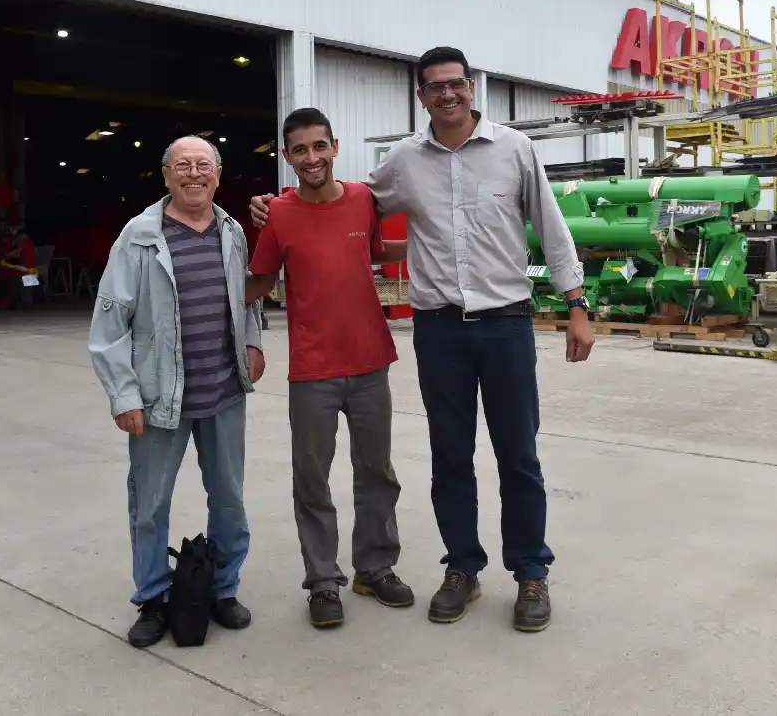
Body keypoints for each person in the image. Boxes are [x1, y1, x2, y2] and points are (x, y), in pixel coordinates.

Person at [250, 46, 593, 633]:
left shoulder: (515, 149)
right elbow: (342, 200)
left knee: (519, 455)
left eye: (456, 84)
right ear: (421, 97)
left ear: (470, 88)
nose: (447, 95)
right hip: (439, 332)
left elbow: (551, 227)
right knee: (451, 457)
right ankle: (462, 567)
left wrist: (577, 303)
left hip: (507, 324)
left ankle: (530, 572)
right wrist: (273, 205)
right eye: (435, 88)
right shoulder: (404, 162)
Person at [89, 135, 266, 649]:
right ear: (165, 176)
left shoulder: (232, 231)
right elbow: (108, 325)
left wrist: (253, 341)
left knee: (229, 500)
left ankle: (223, 589)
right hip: (158, 400)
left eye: (204, 165)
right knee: (150, 504)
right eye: (183, 165)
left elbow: (248, 296)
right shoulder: (139, 237)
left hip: (225, 391)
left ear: (218, 174)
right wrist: (123, 396)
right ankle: (152, 597)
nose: (194, 174)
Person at [245, 107, 413, 629]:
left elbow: (382, 252)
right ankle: (322, 582)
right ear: (287, 156)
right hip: (312, 369)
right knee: (312, 478)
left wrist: (454, 241)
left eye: (320, 147)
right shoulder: (278, 215)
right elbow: (256, 281)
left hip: (369, 362)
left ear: (335, 147)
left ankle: (375, 567)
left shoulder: (365, 199)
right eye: (300, 150)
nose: (311, 158)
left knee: (378, 473)